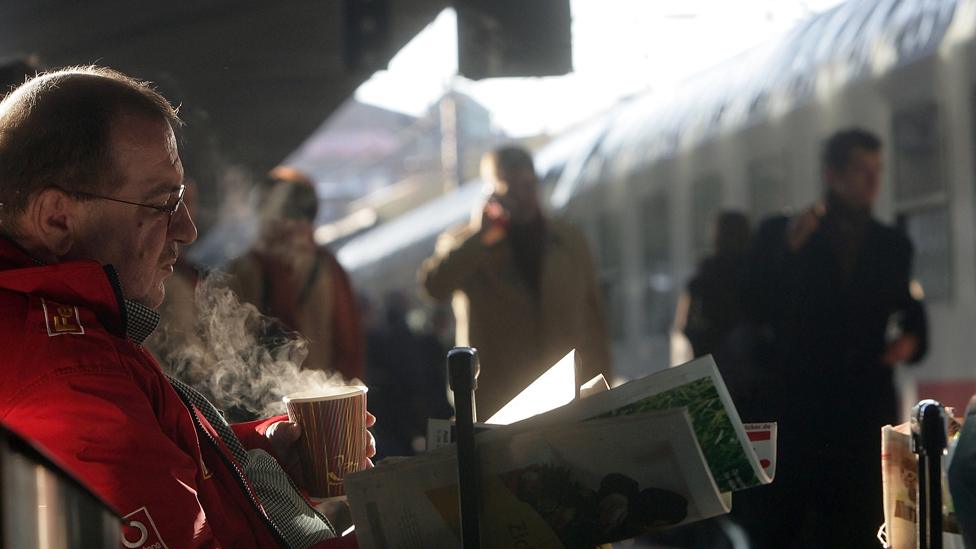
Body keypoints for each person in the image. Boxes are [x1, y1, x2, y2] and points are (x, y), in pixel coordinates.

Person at [0, 66, 371, 548]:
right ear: (57, 219)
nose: (188, 229)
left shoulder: (66, 331)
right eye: (163, 203)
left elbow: (161, 468)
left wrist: (254, 452)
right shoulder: (69, 384)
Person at [740, 128, 928, 548]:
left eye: (877, 170)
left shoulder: (891, 245)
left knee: (863, 521)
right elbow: (752, 304)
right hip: (799, 405)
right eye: (862, 170)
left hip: (864, 405)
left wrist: (910, 342)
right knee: (792, 523)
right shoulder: (782, 235)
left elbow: (913, 315)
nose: (873, 182)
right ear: (833, 173)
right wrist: (788, 250)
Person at [420, 145, 612, 420]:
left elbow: (594, 317)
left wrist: (604, 386)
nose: (524, 196)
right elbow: (433, 286)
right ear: (493, 193)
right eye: (512, 188)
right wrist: (480, 235)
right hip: (501, 400)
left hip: (569, 392)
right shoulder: (469, 245)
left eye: (529, 185)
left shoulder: (568, 240)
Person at [227, 169, 365, 382]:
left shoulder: (247, 269)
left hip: (275, 398)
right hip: (329, 395)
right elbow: (349, 342)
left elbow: (235, 346)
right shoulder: (328, 265)